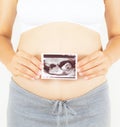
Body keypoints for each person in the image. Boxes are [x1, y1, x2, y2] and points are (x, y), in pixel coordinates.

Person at [0, 0, 120, 127]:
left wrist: (108, 58)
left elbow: (117, 35)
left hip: (90, 106)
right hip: (28, 105)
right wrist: (10, 60)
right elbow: (1, 34)